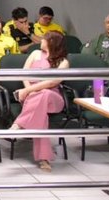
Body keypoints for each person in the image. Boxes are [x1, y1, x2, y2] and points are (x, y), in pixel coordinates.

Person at [9, 31, 69, 172]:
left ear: (52, 42)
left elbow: (51, 82)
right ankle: (44, 159)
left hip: (52, 97)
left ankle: (19, 124)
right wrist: (28, 90)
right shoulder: (35, 54)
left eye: (44, 39)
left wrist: (27, 91)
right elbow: (24, 73)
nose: (41, 41)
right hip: (32, 97)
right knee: (41, 115)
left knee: (45, 93)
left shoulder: (63, 62)